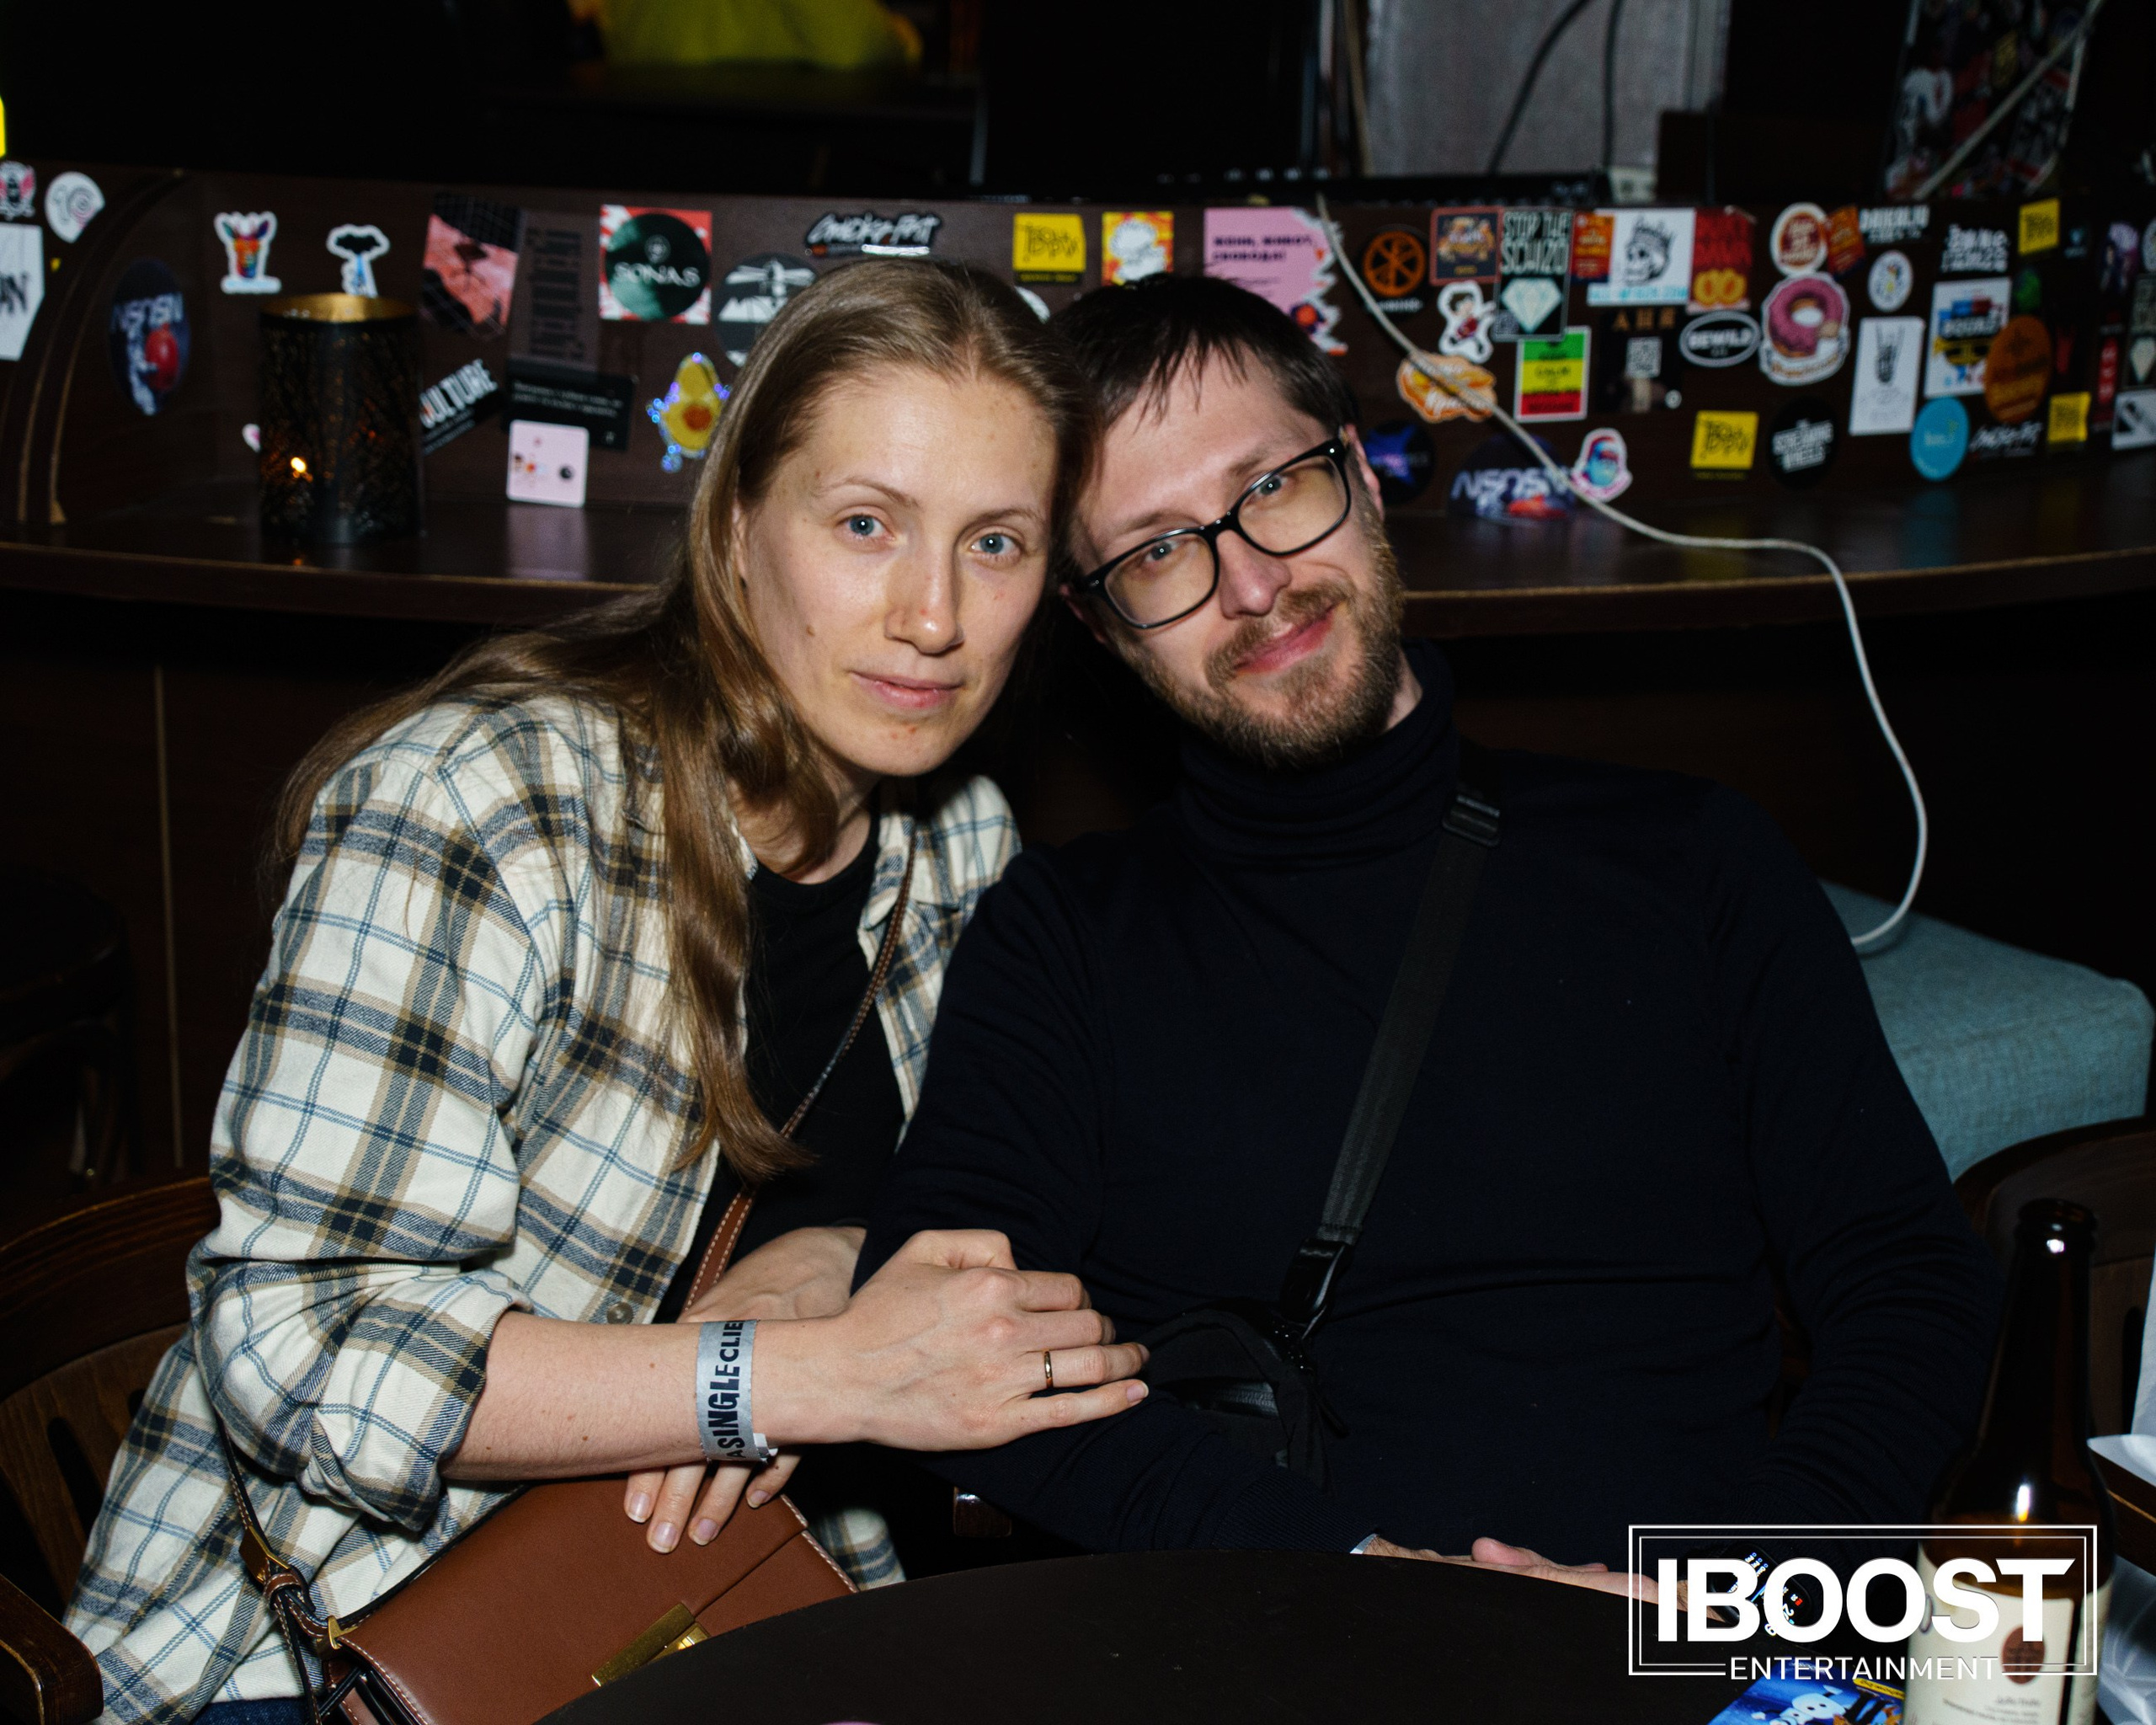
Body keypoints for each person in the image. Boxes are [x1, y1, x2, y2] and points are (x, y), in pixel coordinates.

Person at [68, 259, 1148, 1725]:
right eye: (865, 524)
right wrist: (777, 1376)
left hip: (731, 1603)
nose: (933, 615)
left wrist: (822, 1255)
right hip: (329, 1645)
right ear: (739, 528)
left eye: (1000, 542)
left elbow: (947, 1208)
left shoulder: (959, 842)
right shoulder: (485, 802)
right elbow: (300, 1353)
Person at [859, 274, 2004, 1582]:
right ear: (1099, 623)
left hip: (1694, 1656)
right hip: (1293, 1652)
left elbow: (1913, 1289)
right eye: (1158, 551)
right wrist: (1353, 1576)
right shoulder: (1064, 939)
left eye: (1275, 486)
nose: (1251, 583)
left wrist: (1732, 1598)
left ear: (1359, 471)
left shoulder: (1694, 860)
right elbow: (948, 1358)